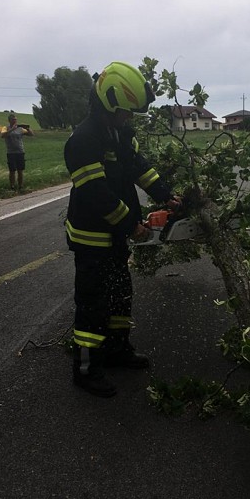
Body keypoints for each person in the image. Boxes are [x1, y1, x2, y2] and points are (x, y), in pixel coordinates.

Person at [64, 61, 181, 397]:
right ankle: (86, 369)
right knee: (93, 303)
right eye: (127, 111)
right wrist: (131, 225)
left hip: (114, 235)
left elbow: (138, 168)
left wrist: (166, 195)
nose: (130, 117)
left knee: (120, 295)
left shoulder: (118, 133)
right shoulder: (83, 140)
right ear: (110, 102)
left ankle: (117, 349)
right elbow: (95, 194)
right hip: (91, 237)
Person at [0, 112, 34, 190]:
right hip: (11, 152)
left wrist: (28, 128)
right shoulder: (5, 128)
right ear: (9, 120)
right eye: (13, 119)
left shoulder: (20, 129)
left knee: (20, 170)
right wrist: (12, 129)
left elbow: (31, 134)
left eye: (16, 119)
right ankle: (12, 186)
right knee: (12, 170)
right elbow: (2, 135)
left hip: (20, 152)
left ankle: (20, 186)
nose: (15, 121)